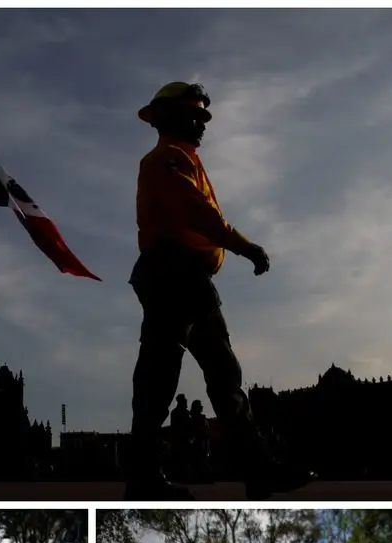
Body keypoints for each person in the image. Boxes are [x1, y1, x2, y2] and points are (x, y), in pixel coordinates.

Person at [125, 81, 313, 500]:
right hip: (172, 274)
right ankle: (146, 477)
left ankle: (254, 469)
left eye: (202, 116)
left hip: (188, 279)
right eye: (194, 115)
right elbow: (197, 212)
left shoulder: (183, 160)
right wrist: (245, 246)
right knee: (165, 377)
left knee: (221, 377)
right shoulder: (167, 160)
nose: (202, 124)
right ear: (169, 117)